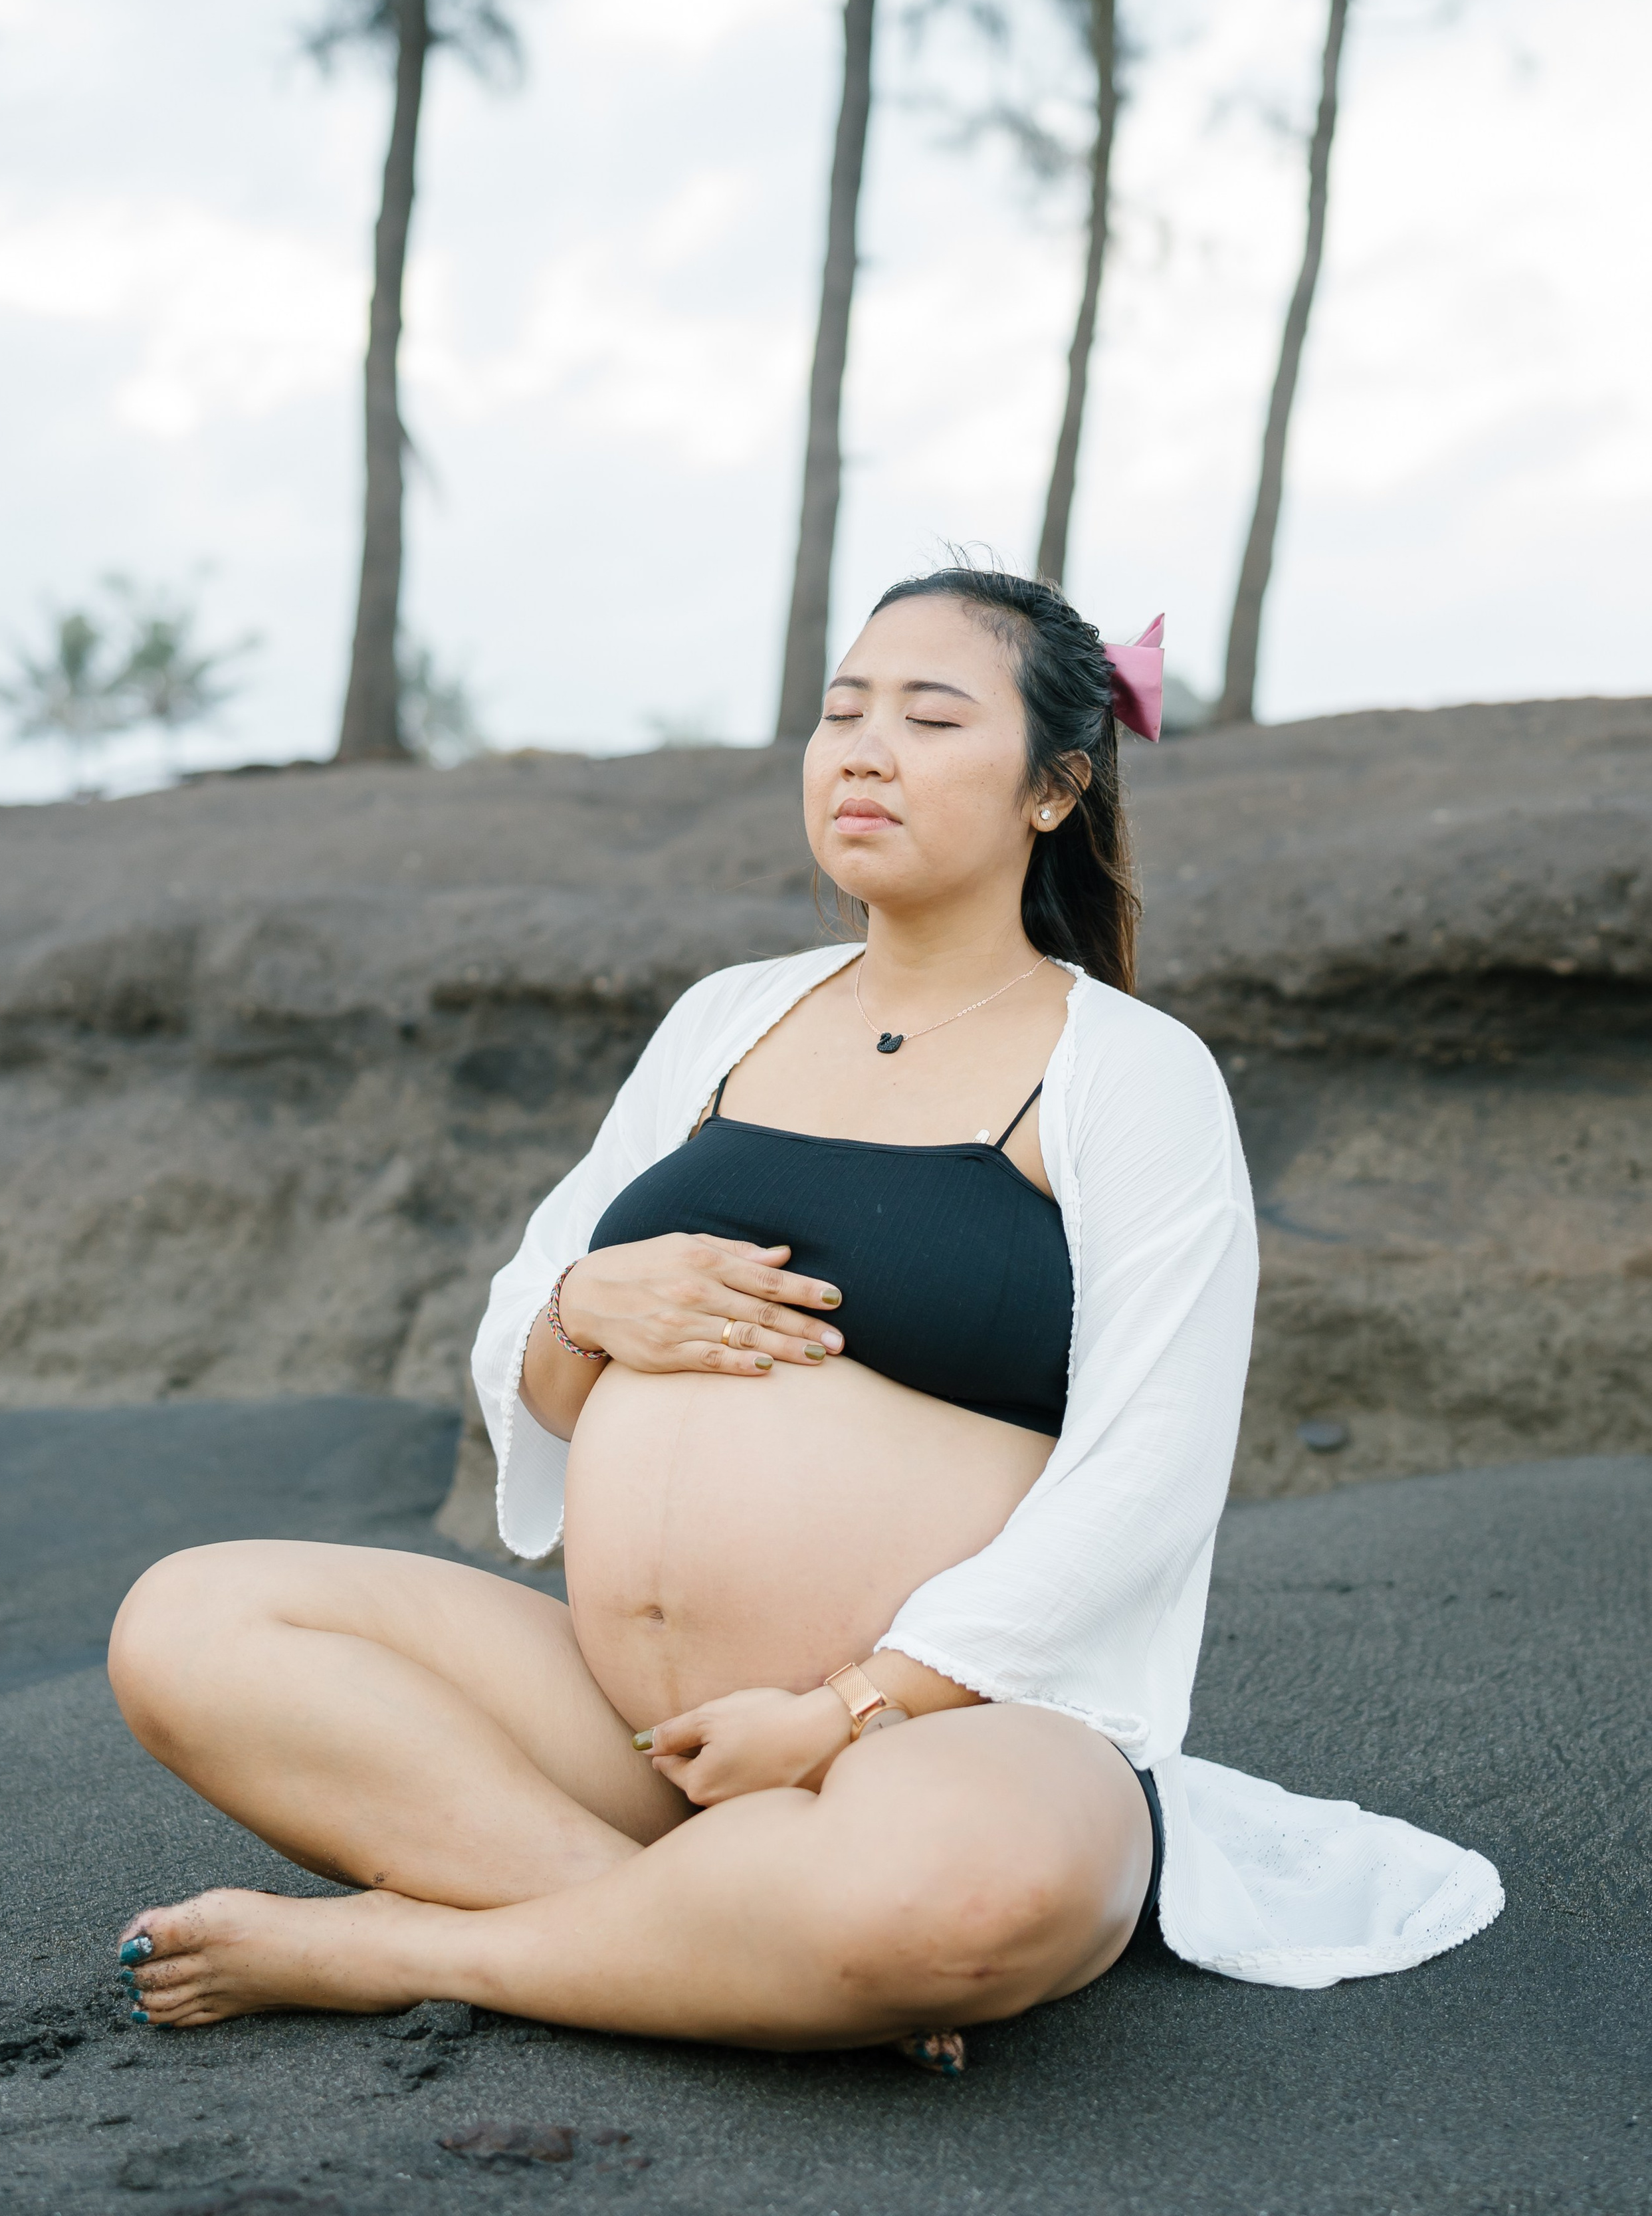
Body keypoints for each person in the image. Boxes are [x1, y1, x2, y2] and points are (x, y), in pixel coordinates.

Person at [105, 567, 1502, 2063]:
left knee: (960, 1899)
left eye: (929, 719)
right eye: (842, 714)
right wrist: (585, 1305)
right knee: (189, 1623)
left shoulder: (1128, 1069)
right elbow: (529, 1330)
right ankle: (714, 1938)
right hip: (644, 1732)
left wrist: (847, 1711)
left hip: (944, 1736)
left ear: (1053, 789)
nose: (863, 751)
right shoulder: (727, 1015)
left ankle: (413, 1947)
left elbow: (1148, 1475)